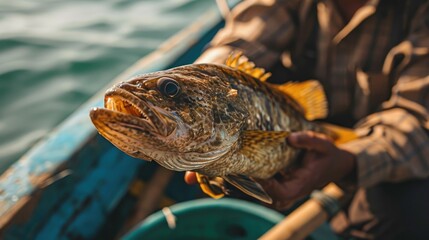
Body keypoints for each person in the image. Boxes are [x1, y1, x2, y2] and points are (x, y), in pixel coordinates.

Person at [185, 0, 429, 239]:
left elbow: (416, 118)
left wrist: (346, 160)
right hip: (297, 136)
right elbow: (241, 42)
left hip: (380, 152)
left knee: (407, 212)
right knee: (219, 183)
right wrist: (193, 93)